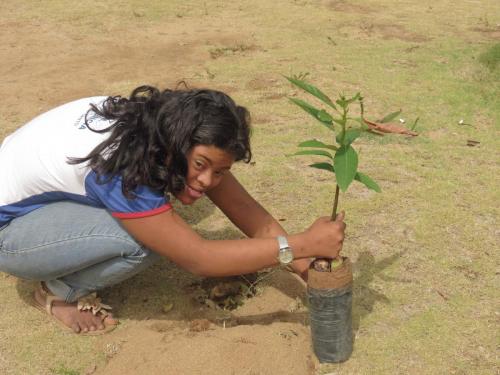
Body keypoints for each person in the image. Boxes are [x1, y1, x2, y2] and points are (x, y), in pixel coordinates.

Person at [0, 85, 346, 335]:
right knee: (146, 239)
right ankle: (58, 292)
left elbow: (247, 212)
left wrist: (309, 273)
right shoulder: (121, 168)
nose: (208, 180)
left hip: (34, 193)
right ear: (179, 144)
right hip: (10, 231)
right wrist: (301, 245)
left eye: (221, 170)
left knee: (159, 221)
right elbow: (198, 258)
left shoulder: (166, 129)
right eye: (201, 165)